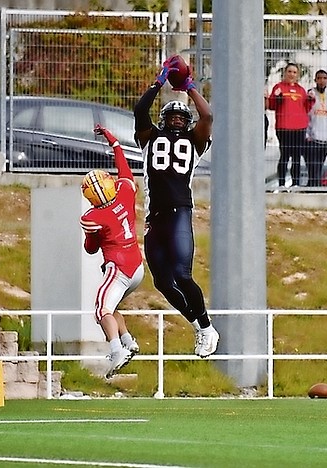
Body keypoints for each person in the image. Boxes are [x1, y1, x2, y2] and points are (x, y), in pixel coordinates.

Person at [133, 58, 219, 358]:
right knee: (161, 281)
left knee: (182, 275)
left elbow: (207, 116)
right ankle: (198, 324)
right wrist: (159, 81)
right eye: (173, 117)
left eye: (183, 118)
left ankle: (207, 327)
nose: (178, 121)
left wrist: (190, 87)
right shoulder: (149, 138)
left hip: (179, 211)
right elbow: (140, 111)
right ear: (164, 119)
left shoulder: (194, 141)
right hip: (154, 216)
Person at [80, 124, 144, 378]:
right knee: (112, 304)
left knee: (101, 310)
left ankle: (117, 351)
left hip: (119, 268)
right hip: (138, 266)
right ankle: (128, 342)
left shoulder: (93, 216)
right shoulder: (126, 192)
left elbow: (91, 247)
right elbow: (124, 169)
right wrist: (113, 141)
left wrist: (91, 235)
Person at [267, 62, 315, 188]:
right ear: (285, 73)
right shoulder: (279, 87)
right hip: (284, 127)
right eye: (289, 71)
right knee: (284, 156)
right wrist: (277, 98)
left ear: (297, 75)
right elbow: (271, 106)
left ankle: (295, 184)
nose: (292, 74)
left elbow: (306, 108)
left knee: (296, 157)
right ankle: (282, 184)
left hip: (299, 128)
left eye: (294, 72)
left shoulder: (301, 90)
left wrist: (310, 99)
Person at [305, 69, 327, 187]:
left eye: (324, 78)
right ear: (315, 80)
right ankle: (313, 190)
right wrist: (307, 134)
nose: (322, 81)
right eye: (319, 78)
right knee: (313, 169)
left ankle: (315, 189)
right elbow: (305, 114)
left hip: (325, 139)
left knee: (319, 168)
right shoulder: (310, 95)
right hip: (312, 139)